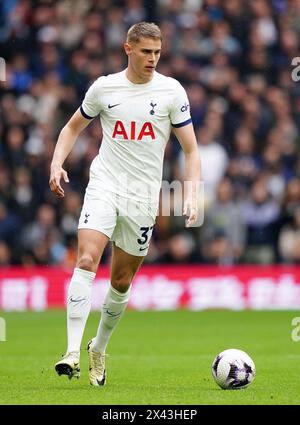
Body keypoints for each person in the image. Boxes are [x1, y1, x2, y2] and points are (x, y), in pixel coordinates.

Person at [49, 22, 201, 387]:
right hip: (105, 184)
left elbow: (191, 148)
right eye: (146, 52)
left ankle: (97, 348)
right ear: (128, 49)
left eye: (157, 53)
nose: (153, 59)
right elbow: (71, 127)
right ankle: (70, 352)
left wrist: (192, 193)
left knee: (121, 280)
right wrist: (57, 162)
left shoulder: (171, 92)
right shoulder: (104, 88)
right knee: (86, 258)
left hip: (143, 197)